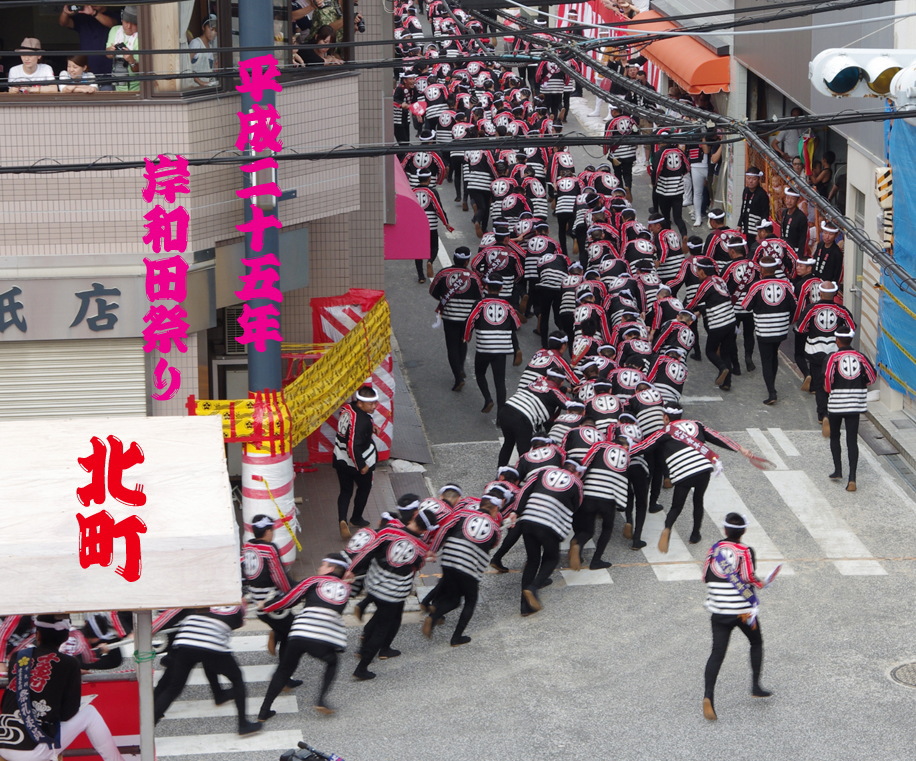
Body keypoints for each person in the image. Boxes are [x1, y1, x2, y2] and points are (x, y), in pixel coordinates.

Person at [0, 615, 126, 761]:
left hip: (4, 740)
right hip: (32, 750)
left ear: (38, 634)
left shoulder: (18, 657)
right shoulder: (68, 663)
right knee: (90, 713)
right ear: (66, 637)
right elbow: (68, 713)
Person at [257, 552, 352, 720]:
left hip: (301, 631)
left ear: (331, 568)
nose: (319, 567)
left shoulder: (313, 581)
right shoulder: (346, 588)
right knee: (332, 661)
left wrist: (266, 606)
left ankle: (264, 711)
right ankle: (321, 700)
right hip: (324, 638)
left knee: (284, 670)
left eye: (322, 565)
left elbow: (287, 600)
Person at [349, 506, 439, 680]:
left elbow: (368, 551)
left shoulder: (389, 532)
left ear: (414, 518)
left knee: (379, 618)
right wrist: (425, 558)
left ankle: (363, 648)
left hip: (374, 584)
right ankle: (362, 667)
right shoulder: (421, 548)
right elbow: (417, 567)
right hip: (394, 594)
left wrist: (351, 570)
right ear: (425, 530)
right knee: (382, 629)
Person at [702, 513, 774, 721]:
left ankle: (708, 696)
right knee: (756, 642)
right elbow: (749, 577)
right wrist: (763, 583)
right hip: (742, 612)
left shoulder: (713, 551)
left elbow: (705, 576)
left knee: (717, 654)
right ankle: (755, 686)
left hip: (719, 611)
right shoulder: (745, 551)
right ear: (743, 531)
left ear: (724, 531)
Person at [153, 605, 261, 735]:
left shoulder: (206, 603)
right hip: (211, 645)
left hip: (185, 641)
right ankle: (243, 724)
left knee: (173, 688)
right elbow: (237, 624)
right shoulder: (237, 609)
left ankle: (148, 726)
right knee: (237, 678)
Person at [422, 494, 503, 646]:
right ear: (495, 509)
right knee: (470, 600)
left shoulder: (462, 514)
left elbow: (444, 528)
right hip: (470, 567)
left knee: (453, 598)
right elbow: (494, 544)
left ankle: (433, 617)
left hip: (449, 559)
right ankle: (457, 637)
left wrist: (433, 549)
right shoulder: (495, 527)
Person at [515, 460, 584, 615]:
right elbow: (577, 505)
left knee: (533, 560)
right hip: (550, 525)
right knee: (552, 558)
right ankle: (533, 587)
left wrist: (517, 512)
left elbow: (525, 490)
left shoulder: (543, 472)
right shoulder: (576, 483)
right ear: (577, 472)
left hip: (529, 519)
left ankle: (524, 606)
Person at [824, 328, 876, 492]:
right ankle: (852, 478)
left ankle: (838, 470)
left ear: (837, 340)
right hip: (855, 404)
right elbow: (872, 377)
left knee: (835, 436)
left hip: (837, 404)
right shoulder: (861, 357)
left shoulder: (832, 358)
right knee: (852, 440)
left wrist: (830, 390)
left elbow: (827, 380)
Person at [740, 256, 797, 406]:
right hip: (781, 329)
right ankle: (772, 385)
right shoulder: (786, 284)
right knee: (773, 357)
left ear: (762, 269)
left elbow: (746, 306)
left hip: (764, 329)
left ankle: (772, 391)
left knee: (766, 359)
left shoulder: (757, 286)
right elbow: (794, 305)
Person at [463, 274, 522, 414]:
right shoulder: (507, 305)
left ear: (486, 286)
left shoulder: (480, 304)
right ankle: (500, 416)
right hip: (501, 348)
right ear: (501, 287)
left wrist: (467, 336)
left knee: (480, 373)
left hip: (484, 346)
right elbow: (516, 325)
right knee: (500, 381)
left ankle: (488, 398)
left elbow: (470, 321)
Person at [429, 247, 484, 391]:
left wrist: (445, 300)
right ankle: (460, 368)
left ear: (454, 258)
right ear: (467, 260)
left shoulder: (443, 274)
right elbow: (480, 297)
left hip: (450, 316)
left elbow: (433, 291)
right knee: (463, 342)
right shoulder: (474, 277)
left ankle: (458, 376)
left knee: (452, 346)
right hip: (467, 319)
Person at [241, 514, 294, 658]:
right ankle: (283, 675)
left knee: (284, 629)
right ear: (269, 531)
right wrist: (291, 593)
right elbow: (279, 577)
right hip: (271, 603)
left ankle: (276, 634)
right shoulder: (269, 549)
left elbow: (243, 572)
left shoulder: (247, 547)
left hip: (256, 601)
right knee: (291, 633)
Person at [333, 385, 380, 540]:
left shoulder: (348, 409)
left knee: (345, 491)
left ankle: (342, 519)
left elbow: (351, 429)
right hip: (357, 462)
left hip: (340, 459)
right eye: (371, 404)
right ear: (360, 403)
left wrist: (371, 428)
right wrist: (362, 466)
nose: (374, 406)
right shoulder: (362, 421)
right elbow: (353, 446)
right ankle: (356, 518)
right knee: (364, 487)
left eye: (375, 403)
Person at [58, 5, 117, 87]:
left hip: (107, 66)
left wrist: (93, 13)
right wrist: (65, 12)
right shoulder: (83, 16)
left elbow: (113, 24)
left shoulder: (113, 14)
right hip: (87, 69)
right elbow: (64, 23)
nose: (93, 3)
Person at [105, 6, 139, 92]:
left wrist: (132, 61)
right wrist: (110, 51)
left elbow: (141, 70)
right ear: (121, 20)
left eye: (133, 23)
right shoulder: (115, 30)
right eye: (126, 22)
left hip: (137, 87)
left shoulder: (143, 36)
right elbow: (108, 55)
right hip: (117, 84)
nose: (129, 26)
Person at [737, 167, 770, 239]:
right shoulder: (746, 190)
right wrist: (740, 224)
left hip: (755, 228)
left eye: (754, 179)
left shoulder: (762, 194)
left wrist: (761, 231)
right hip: (746, 226)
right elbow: (743, 207)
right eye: (748, 178)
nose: (750, 181)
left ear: (758, 180)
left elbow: (765, 214)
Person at [188, 14, 218, 87]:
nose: (213, 33)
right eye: (211, 29)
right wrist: (201, 82)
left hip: (207, 86)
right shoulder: (196, 43)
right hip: (195, 87)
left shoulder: (210, 46)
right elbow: (187, 66)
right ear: (203, 28)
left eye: (215, 30)